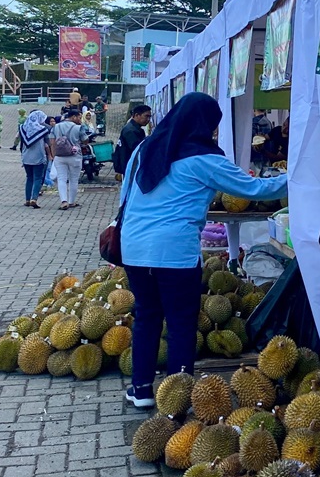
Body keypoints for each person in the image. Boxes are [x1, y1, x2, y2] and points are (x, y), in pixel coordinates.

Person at [120, 93, 288, 407]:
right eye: (212, 126)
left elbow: (124, 195)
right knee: (182, 321)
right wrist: (302, 179)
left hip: (134, 246)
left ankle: (141, 389)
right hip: (175, 251)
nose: (212, 133)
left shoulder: (145, 147)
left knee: (146, 317)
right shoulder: (204, 159)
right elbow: (254, 189)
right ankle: (177, 397)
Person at [50, 109, 86, 210]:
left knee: (61, 179)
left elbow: (52, 142)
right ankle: (71, 202)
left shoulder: (56, 126)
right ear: (73, 117)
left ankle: (63, 201)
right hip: (75, 156)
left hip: (60, 156)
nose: (80, 119)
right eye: (79, 117)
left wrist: (54, 155)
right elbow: (85, 140)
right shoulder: (79, 127)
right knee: (73, 180)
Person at [19, 111, 52, 208]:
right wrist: (50, 154)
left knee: (29, 177)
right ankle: (34, 198)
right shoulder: (43, 129)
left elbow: (20, 142)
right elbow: (47, 144)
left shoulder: (22, 128)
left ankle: (27, 200)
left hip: (26, 157)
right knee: (38, 178)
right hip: (39, 156)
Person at [113, 105, 152, 180]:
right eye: (146, 116)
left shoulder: (135, 128)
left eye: (149, 117)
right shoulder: (131, 131)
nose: (148, 120)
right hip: (130, 168)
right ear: (137, 115)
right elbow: (138, 150)